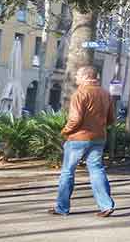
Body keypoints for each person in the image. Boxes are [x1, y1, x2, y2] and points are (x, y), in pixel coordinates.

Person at [49, 65, 116, 217]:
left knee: (67, 172)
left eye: (78, 75)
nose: (76, 78)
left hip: (78, 138)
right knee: (97, 169)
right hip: (99, 138)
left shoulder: (79, 94)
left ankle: (62, 207)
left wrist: (65, 131)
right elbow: (111, 119)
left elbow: (75, 119)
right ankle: (106, 205)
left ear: (86, 77)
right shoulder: (106, 94)